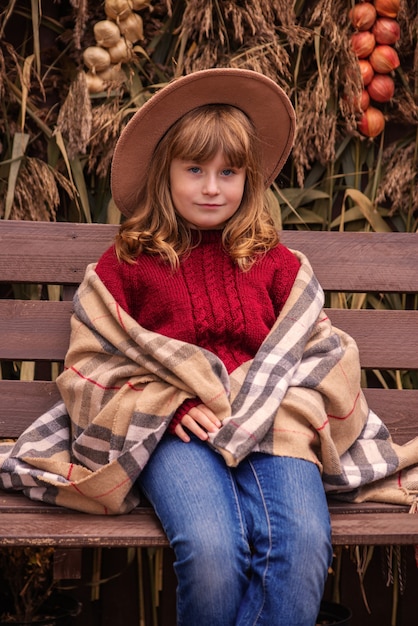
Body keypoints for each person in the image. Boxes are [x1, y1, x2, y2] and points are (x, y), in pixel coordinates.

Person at [95, 68, 333, 626]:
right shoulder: (130, 263)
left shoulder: (272, 260)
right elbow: (98, 359)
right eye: (195, 169)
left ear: (248, 179)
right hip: (174, 429)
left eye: (229, 172)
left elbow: (313, 342)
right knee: (213, 551)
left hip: (269, 421)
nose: (211, 187)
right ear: (165, 172)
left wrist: (269, 398)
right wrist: (169, 405)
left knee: (301, 542)